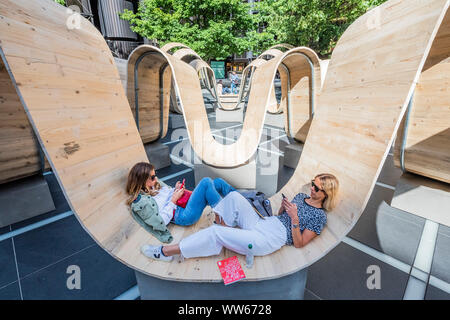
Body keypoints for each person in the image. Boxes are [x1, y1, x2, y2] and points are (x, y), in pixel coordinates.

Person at [141, 173, 339, 261]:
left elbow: (300, 243)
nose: (311, 188)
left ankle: (164, 252)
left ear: (326, 194)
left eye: (316, 187)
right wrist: (285, 210)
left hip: (272, 238)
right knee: (234, 196)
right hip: (267, 222)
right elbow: (281, 216)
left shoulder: (319, 216)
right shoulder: (301, 196)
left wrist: (295, 219)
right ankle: (225, 227)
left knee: (216, 233)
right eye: (312, 183)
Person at [126, 162, 237, 234]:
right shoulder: (144, 202)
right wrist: (174, 199)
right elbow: (161, 221)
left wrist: (176, 190)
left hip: (182, 203)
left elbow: (166, 197)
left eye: (155, 175)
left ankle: (240, 202)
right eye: (153, 177)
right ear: (142, 180)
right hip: (182, 215)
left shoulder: (153, 186)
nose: (156, 179)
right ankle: (223, 218)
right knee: (206, 182)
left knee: (218, 182)